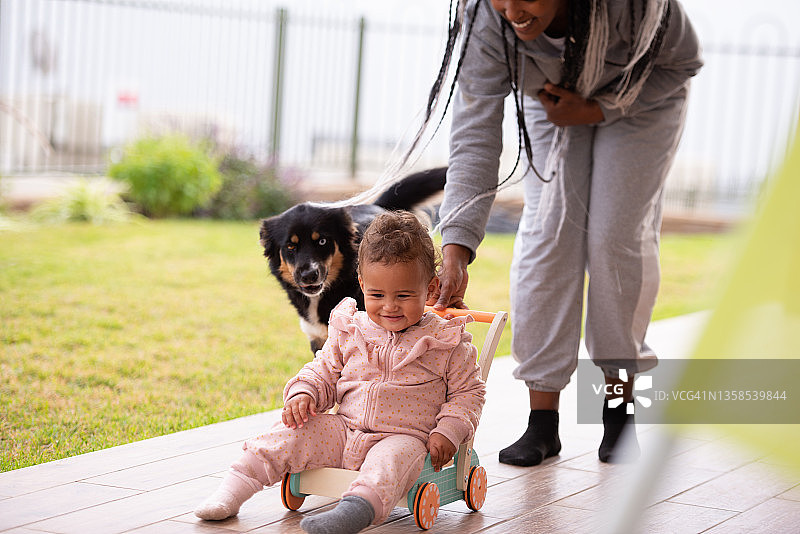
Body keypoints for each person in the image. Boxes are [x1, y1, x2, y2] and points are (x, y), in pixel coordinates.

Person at [426, 0, 703, 465]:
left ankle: (618, 413)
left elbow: (683, 61)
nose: (512, 9)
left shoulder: (635, 7)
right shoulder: (484, 17)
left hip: (641, 99)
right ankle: (542, 424)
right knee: (548, 236)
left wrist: (598, 110)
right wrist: (456, 247)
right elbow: (475, 131)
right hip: (552, 98)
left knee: (615, 239)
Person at [195, 210, 485, 534]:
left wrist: (449, 430)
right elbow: (325, 369)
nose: (389, 307)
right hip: (344, 429)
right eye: (376, 295)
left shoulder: (446, 341)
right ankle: (232, 489)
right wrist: (304, 391)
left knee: (394, 459)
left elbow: (468, 393)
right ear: (362, 284)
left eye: (403, 296)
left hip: (404, 436)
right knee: (289, 431)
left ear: (429, 287)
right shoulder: (351, 328)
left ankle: (353, 512)